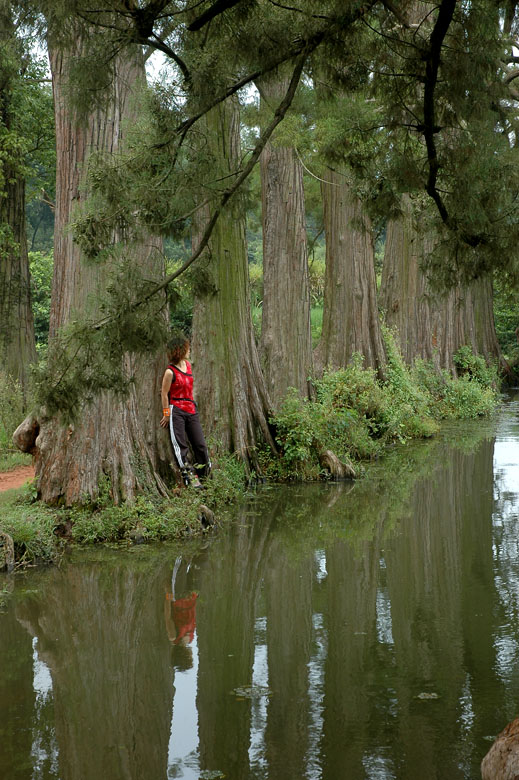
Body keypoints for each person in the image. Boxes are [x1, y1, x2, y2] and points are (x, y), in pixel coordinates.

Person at [160, 333, 211, 487]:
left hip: (191, 410)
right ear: (179, 350)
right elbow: (163, 393)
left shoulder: (188, 366)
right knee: (181, 447)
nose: (189, 351)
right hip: (177, 412)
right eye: (187, 348)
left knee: (200, 445)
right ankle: (191, 480)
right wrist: (166, 414)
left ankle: (206, 477)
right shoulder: (170, 372)